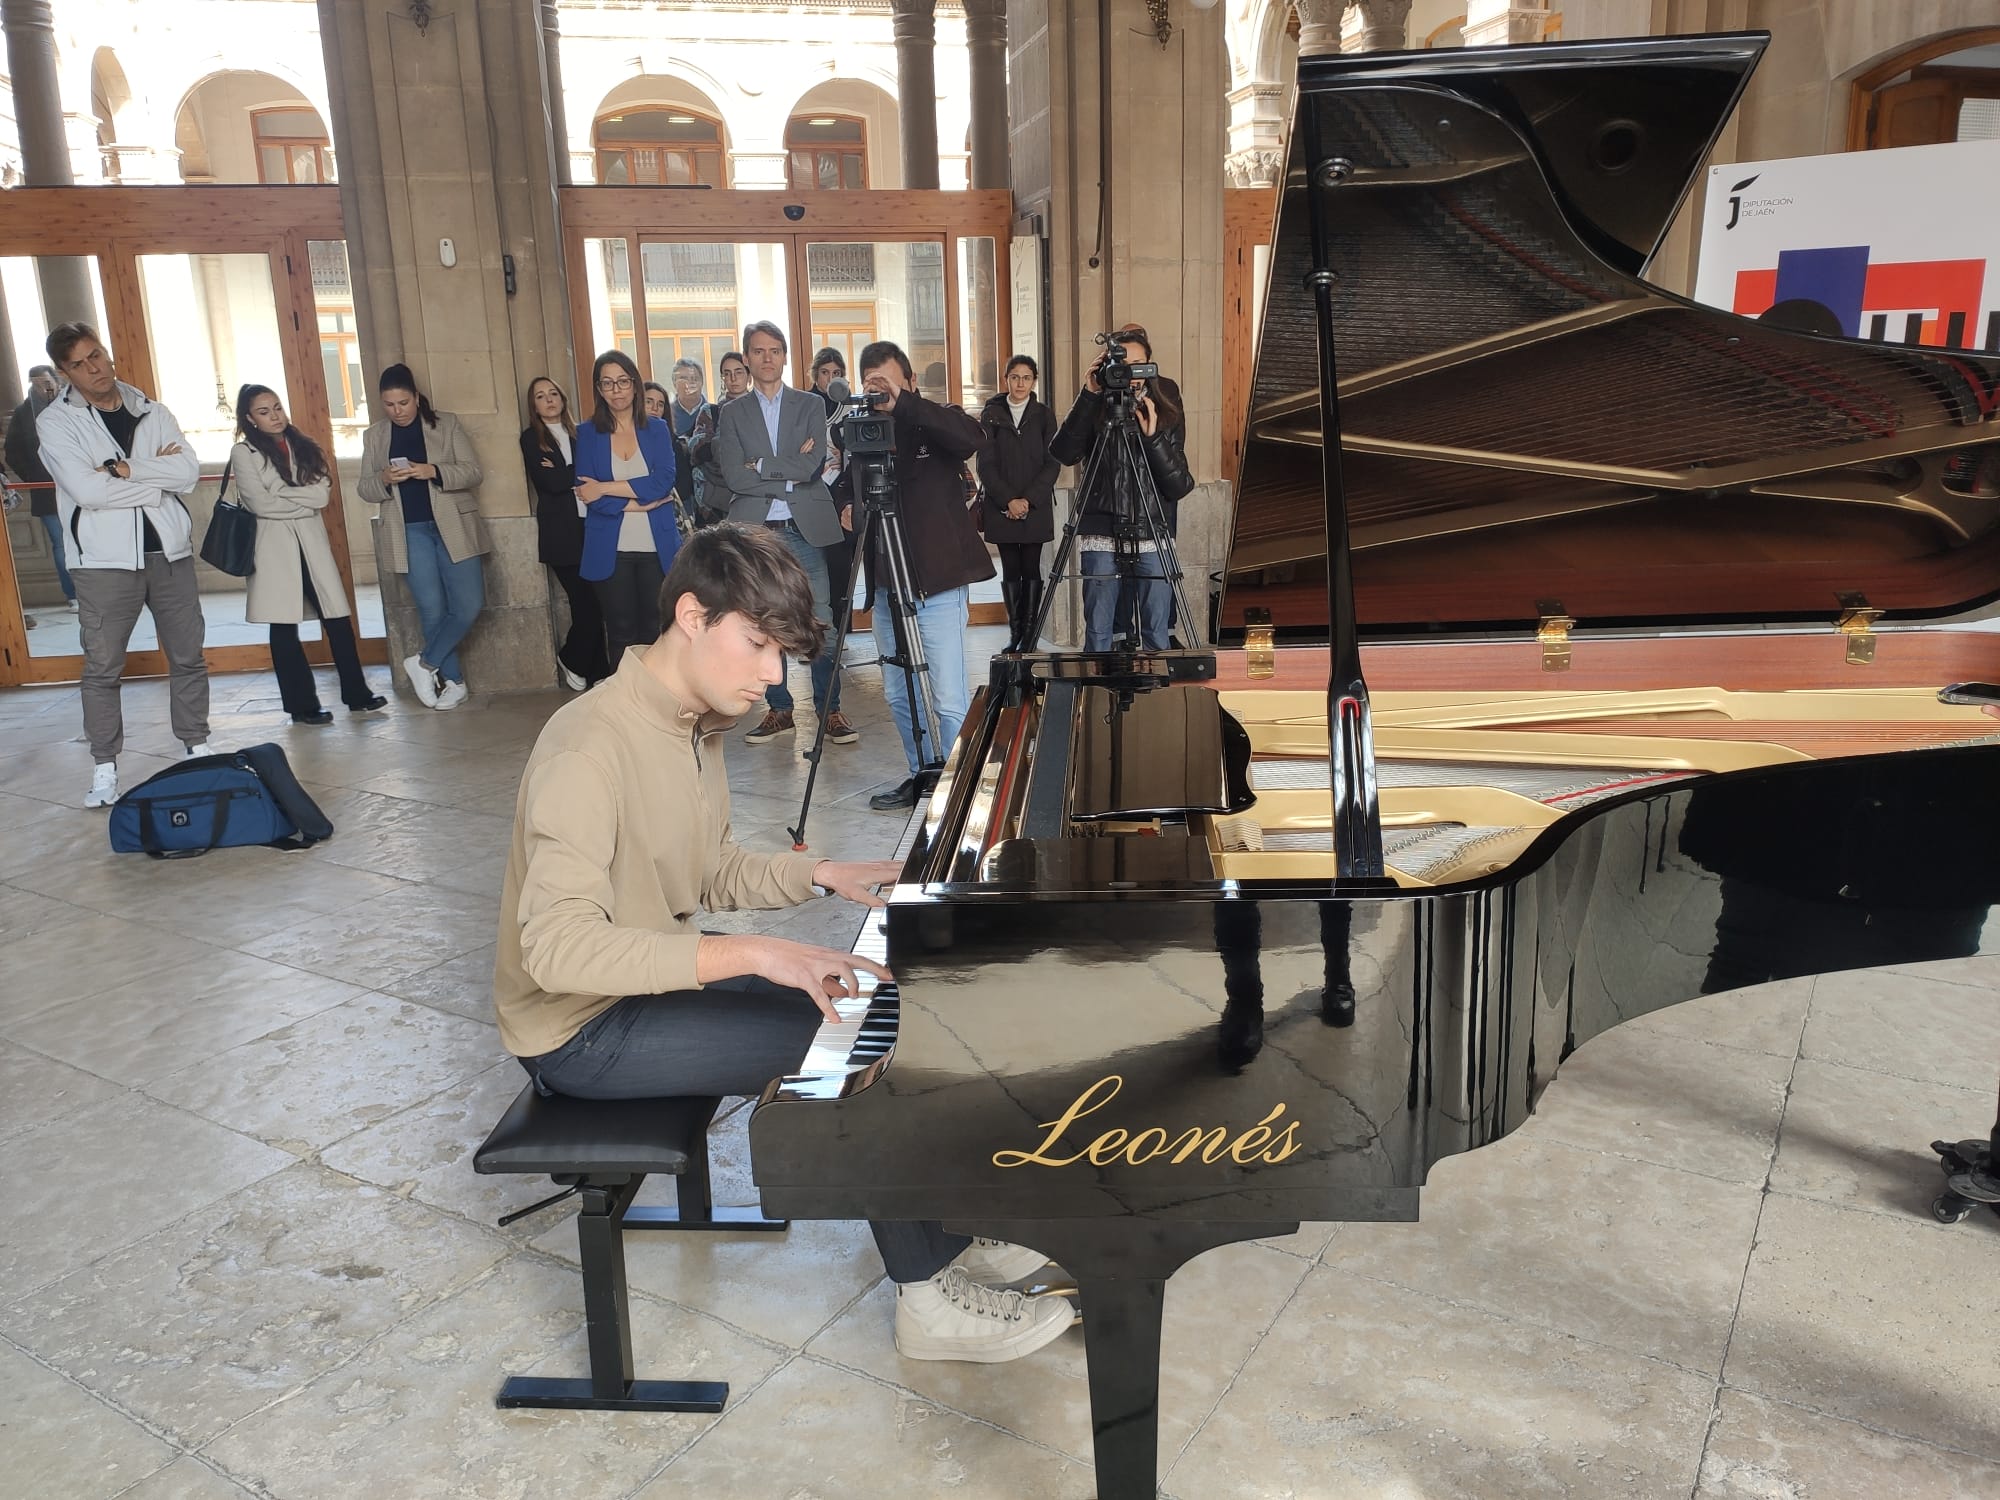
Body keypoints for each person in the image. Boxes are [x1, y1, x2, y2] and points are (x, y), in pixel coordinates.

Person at [493, 522, 1071, 1364]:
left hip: (645, 987)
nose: (773, 674)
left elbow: (710, 868)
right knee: (848, 1046)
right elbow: (554, 950)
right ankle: (929, 1301)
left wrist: (823, 874)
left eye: (781, 652)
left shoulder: (689, 722)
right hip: (578, 1031)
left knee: (874, 1003)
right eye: (757, 644)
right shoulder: (589, 747)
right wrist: (755, 954)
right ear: (693, 614)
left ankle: (951, 1225)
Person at [36, 323, 211, 808]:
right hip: (103, 563)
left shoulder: (152, 410)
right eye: (79, 363)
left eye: (97, 355)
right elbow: (87, 491)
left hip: (169, 553)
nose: (95, 368)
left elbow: (190, 471)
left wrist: (124, 469)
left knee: (188, 656)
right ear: (64, 373)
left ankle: (197, 746)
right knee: (103, 667)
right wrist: (158, 480)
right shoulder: (56, 423)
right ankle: (105, 767)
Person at [843, 339, 994, 811]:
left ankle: (960, 783)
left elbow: (972, 438)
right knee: (899, 692)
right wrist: (846, 504)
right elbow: (845, 485)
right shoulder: (866, 431)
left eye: (889, 382)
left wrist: (906, 405)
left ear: (908, 381)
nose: (882, 393)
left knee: (948, 697)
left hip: (938, 584)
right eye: (873, 385)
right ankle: (923, 771)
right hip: (889, 585)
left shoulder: (934, 420)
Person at [713, 320, 855, 748]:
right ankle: (779, 709)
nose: (767, 358)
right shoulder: (732, 413)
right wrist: (787, 471)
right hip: (757, 531)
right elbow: (735, 476)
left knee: (822, 619)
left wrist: (763, 467)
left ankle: (830, 710)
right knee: (761, 619)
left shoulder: (809, 404)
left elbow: (813, 467)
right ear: (747, 358)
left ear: (785, 356)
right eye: (758, 351)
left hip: (804, 527)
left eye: (775, 350)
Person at [229, 385, 386, 724]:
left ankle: (357, 695)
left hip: (311, 546)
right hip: (274, 551)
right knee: (284, 628)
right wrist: (296, 497)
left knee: (338, 621)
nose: (275, 416)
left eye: (277, 407)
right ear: (249, 418)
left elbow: (320, 497)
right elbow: (259, 503)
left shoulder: (305, 446)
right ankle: (302, 707)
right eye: (264, 411)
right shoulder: (244, 453)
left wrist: (283, 495)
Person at [1050, 323, 1195, 652]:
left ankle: (1158, 700)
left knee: (1157, 633)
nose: (1132, 375)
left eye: (1140, 365)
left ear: (1150, 368)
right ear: (1107, 367)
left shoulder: (1165, 408)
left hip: (1151, 528)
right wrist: (1088, 396)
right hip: (1101, 528)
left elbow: (1179, 484)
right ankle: (1097, 696)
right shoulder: (1096, 405)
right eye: (1123, 365)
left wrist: (1153, 437)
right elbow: (1062, 453)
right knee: (1099, 632)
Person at [357, 364, 488, 710]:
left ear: (416, 397)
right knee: (432, 609)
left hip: (452, 525)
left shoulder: (446, 423)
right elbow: (365, 489)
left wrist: (433, 471)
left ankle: (424, 663)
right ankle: (454, 683)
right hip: (408, 531)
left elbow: (473, 471)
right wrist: (384, 478)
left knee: (469, 605)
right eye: (389, 404)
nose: (397, 411)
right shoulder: (374, 436)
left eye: (403, 402)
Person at [574, 350, 680, 661]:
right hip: (610, 547)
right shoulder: (587, 433)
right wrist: (640, 505)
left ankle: (652, 705)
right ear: (598, 389)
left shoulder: (657, 429)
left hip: (655, 546)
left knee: (655, 631)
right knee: (620, 632)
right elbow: (586, 493)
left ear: (634, 384)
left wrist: (605, 488)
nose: (616, 390)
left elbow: (663, 481)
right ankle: (623, 707)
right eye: (607, 383)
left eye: (622, 381)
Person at [520, 375, 609, 691]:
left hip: (592, 528)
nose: (548, 399)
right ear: (534, 405)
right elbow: (550, 483)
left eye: (553, 393)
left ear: (563, 397)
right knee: (583, 602)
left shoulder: (581, 434)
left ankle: (598, 671)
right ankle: (572, 658)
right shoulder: (531, 439)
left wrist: (570, 475)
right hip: (561, 535)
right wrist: (577, 476)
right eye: (541, 396)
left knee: (596, 603)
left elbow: (597, 472)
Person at [976, 355, 1061, 653]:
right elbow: (985, 464)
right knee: (1011, 569)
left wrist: (1027, 499)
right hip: (1002, 507)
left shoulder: (1043, 415)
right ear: (1006, 379)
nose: (1020, 383)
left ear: (1034, 381)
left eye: (1026, 377)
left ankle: (1031, 634)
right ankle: (1016, 635)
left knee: (1031, 568)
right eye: (1015, 377)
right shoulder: (991, 414)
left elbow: (1053, 463)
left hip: (1033, 507)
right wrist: (1008, 500)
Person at [5, 363, 73, 611]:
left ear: (56, 381)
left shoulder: (72, 405)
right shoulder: (24, 412)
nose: (43, 388)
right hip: (46, 490)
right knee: (61, 544)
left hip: (80, 487)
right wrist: (33, 475)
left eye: (46, 382)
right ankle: (73, 594)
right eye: (37, 384)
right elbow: (12, 452)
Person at [810, 346, 846, 416]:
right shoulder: (805, 401)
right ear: (816, 373)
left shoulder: (846, 402)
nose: (830, 379)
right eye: (825, 372)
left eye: (835, 373)